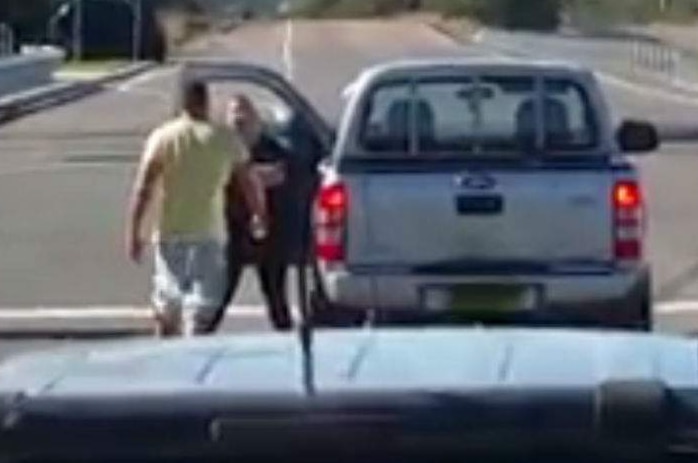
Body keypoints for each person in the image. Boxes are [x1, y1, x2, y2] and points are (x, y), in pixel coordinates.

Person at [125, 81, 268, 337]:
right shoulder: (224, 138)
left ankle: (166, 337)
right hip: (210, 234)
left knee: (169, 297)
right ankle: (193, 343)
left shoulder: (163, 137)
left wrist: (134, 232)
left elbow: (143, 188)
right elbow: (249, 182)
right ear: (206, 102)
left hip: (171, 232)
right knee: (204, 303)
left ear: (182, 104)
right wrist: (259, 214)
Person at [204, 94, 294, 333]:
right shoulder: (221, 149)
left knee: (277, 300)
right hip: (232, 234)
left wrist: (246, 176)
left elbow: (280, 174)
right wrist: (251, 176)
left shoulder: (271, 147)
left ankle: (287, 343)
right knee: (216, 299)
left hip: (270, 236)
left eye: (245, 116)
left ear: (256, 120)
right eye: (235, 118)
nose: (240, 122)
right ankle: (200, 338)